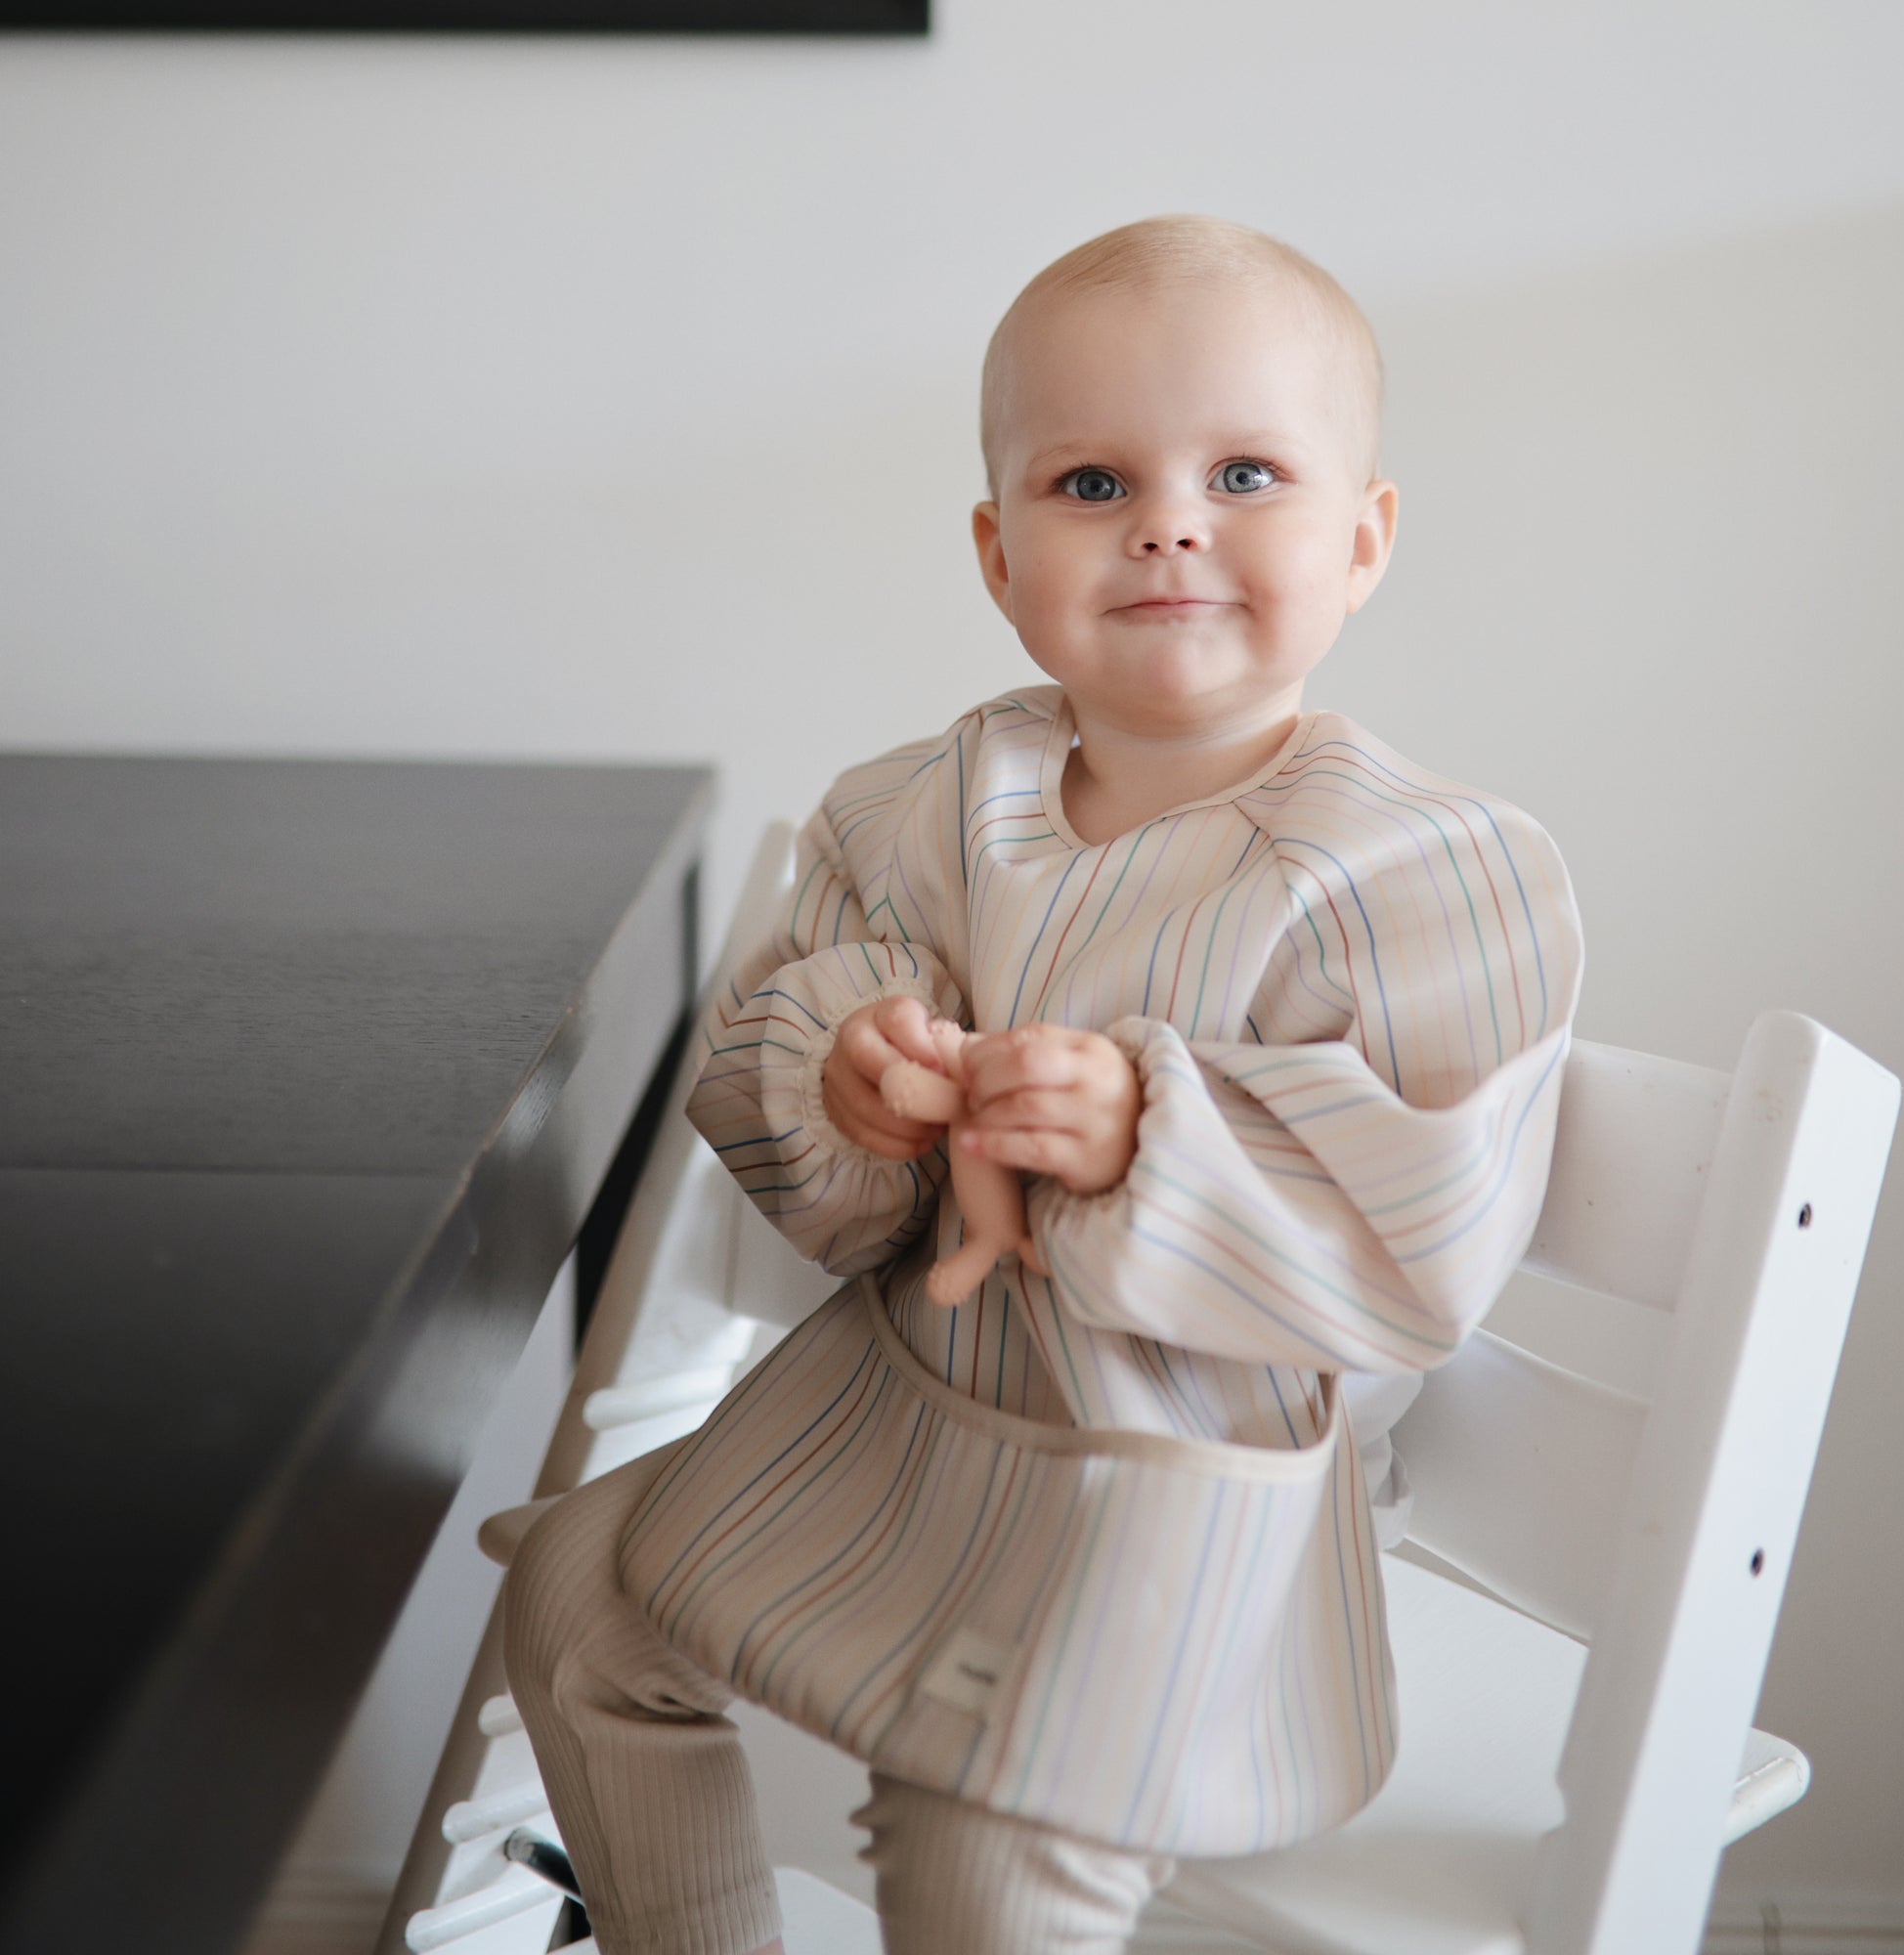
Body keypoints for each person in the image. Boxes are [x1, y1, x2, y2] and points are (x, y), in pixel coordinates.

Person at [505, 214, 1584, 1955]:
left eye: (1245, 470)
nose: (1169, 520)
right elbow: (807, 1152)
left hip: (1160, 1495)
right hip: (901, 1420)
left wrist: (1154, 1138)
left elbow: (1424, 1237)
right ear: (1002, 558)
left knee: (988, 1845)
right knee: (574, 1596)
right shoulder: (920, 811)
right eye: (1095, 482)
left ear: (1364, 539)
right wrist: (851, 1079)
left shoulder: (1420, 875)